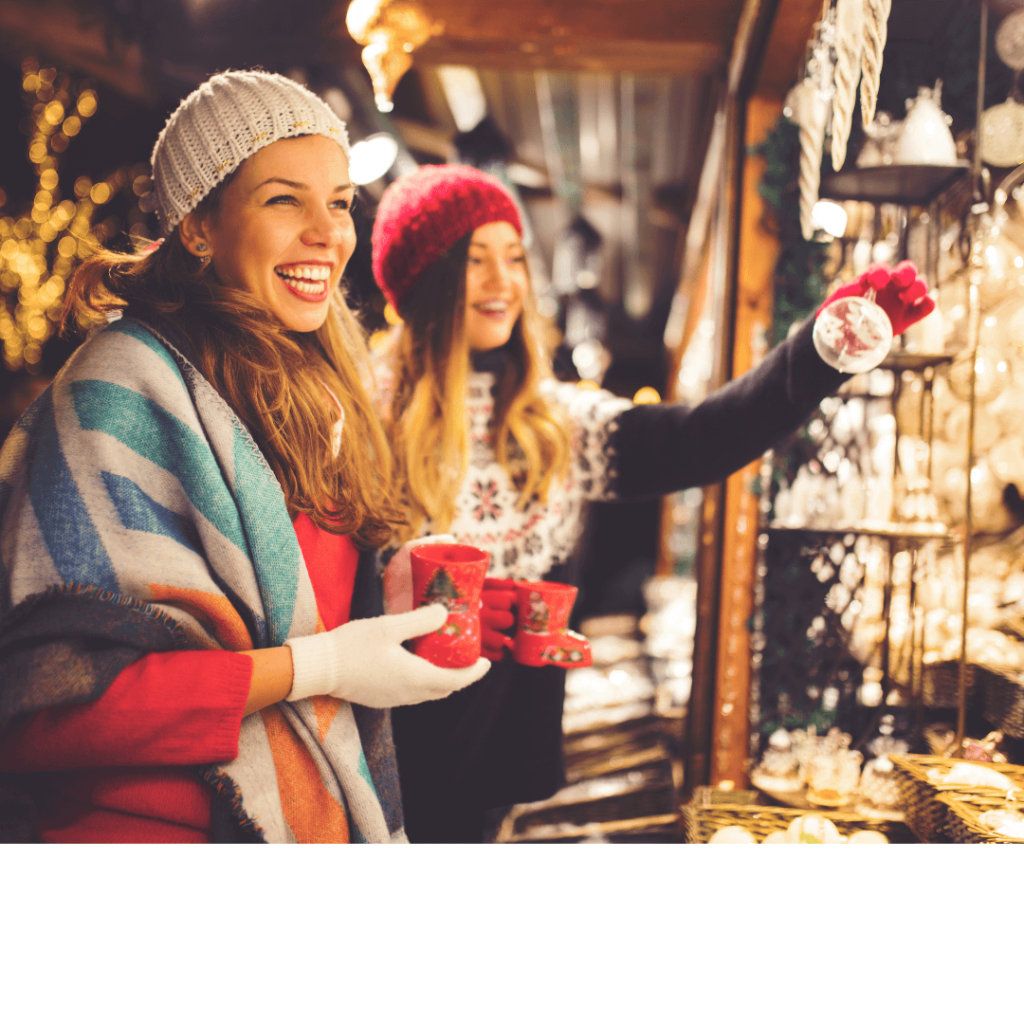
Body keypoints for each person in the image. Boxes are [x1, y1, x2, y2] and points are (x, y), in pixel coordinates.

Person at [369, 163, 935, 843]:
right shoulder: (364, 422)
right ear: (421, 281)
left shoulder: (557, 424)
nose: (503, 282)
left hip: (500, 779)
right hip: (380, 767)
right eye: (474, 260)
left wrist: (820, 351)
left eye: (515, 258)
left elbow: (699, 440)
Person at [0, 71, 487, 844]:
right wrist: (320, 668)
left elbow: (295, 612)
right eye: (283, 199)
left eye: (338, 202)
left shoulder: (318, 391)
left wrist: (389, 595)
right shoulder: (117, 391)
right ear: (198, 226)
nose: (329, 233)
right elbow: (49, 708)